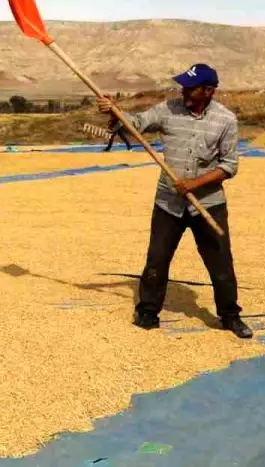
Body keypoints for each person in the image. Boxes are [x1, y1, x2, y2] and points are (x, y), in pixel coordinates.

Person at [97, 63, 252, 339]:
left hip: (209, 204)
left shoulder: (225, 120)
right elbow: (136, 125)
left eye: (191, 87)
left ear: (208, 90)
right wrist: (115, 113)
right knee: (157, 260)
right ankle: (147, 312)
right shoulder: (168, 109)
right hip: (168, 204)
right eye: (184, 85)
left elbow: (229, 166)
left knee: (221, 265)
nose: (185, 91)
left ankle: (230, 316)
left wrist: (194, 184)